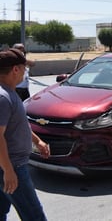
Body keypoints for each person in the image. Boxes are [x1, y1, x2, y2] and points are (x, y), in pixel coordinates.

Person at [0, 48, 50, 220]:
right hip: (13, 168)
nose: (25, 71)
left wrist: (38, 141)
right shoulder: (4, 97)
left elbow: (18, 124)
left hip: (9, 167)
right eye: (24, 68)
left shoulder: (9, 93)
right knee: (34, 215)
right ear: (15, 69)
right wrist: (8, 171)